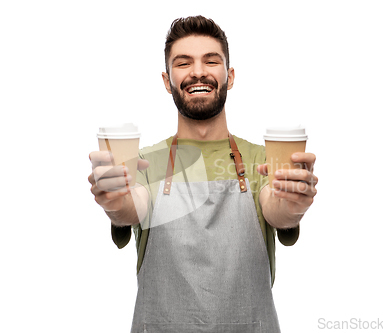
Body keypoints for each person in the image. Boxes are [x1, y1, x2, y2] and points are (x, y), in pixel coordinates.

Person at [88, 15, 318, 333]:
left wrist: (293, 204)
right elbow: (132, 205)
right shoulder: (143, 163)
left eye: (211, 61)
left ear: (230, 76)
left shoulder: (262, 160)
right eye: (183, 63)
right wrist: (113, 199)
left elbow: (277, 210)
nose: (198, 71)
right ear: (167, 80)